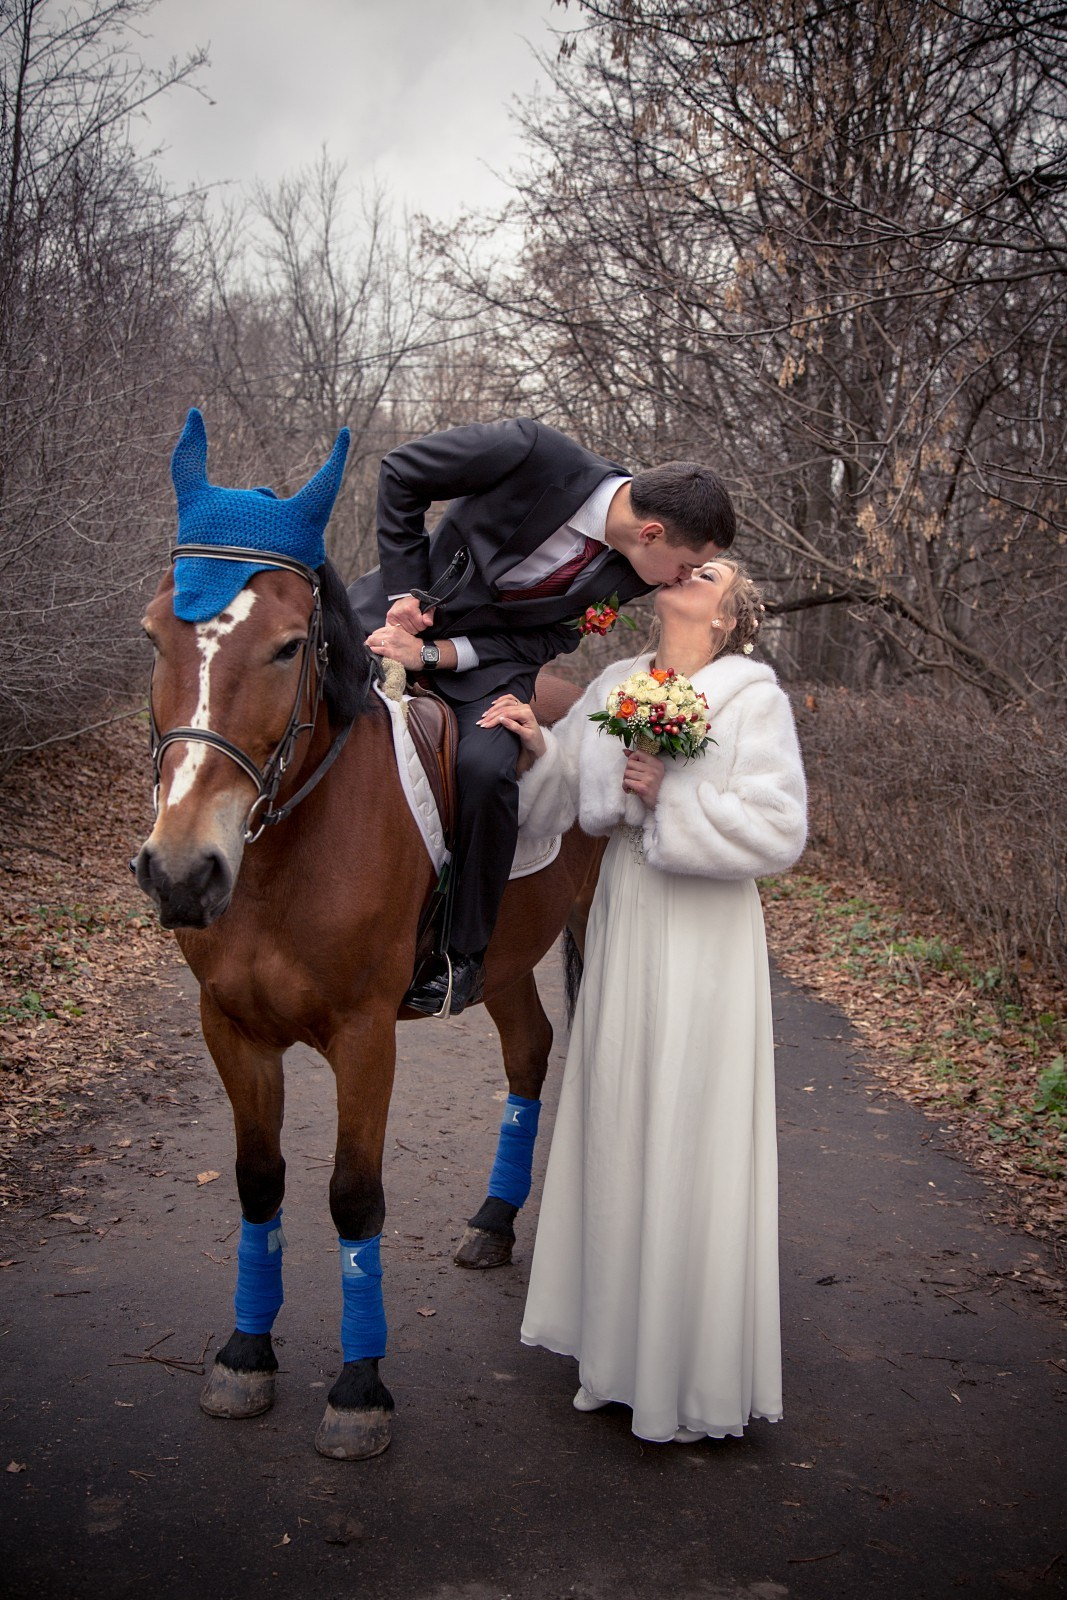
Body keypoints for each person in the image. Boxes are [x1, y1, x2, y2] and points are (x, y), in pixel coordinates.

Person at [479, 558, 807, 1444]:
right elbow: (572, 803)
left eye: (711, 571)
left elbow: (780, 831)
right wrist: (537, 746)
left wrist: (675, 793)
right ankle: (618, 1352)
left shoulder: (750, 696)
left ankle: (687, 1370)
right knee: (623, 1104)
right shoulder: (624, 682)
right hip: (626, 910)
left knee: (690, 1115)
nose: (686, 572)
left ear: (734, 613)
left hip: (704, 928)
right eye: (684, 565)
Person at [347, 418, 735, 1015]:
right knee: (288, 687)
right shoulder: (532, 453)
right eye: (687, 565)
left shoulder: (630, 573)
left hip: (487, 670)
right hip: (391, 612)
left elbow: (538, 644)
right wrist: (405, 590)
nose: (685, 579)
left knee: (487, 767)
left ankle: (462, 956)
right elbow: (402, 472)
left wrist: (436, 656)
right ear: (653, 531)